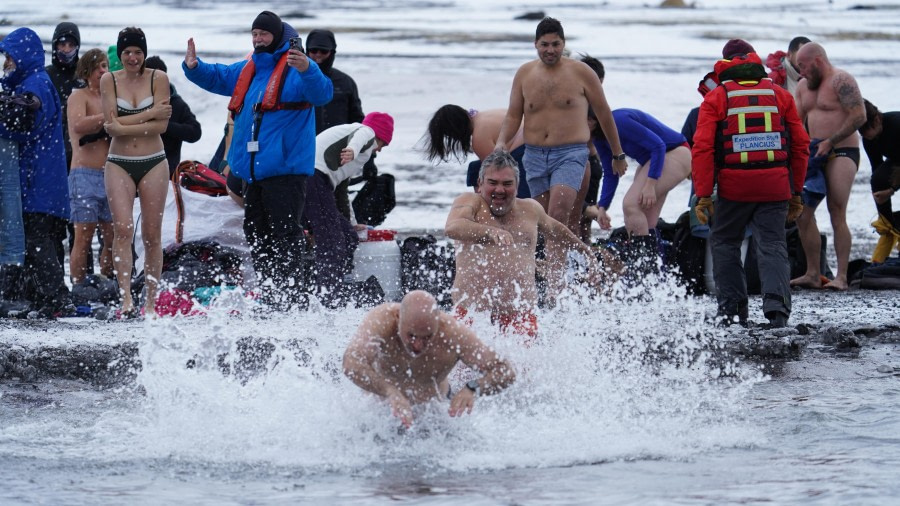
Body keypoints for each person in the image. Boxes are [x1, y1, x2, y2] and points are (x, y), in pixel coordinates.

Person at [182, 11, 333, 308]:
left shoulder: (296, 66)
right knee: (256, 232)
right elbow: (219, 75)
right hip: (253, 172)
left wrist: (309, 69)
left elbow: (323, 93)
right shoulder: (251, 67)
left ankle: (292, 295)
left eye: (263, 34)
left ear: (276, 36)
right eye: (254, 34)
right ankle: (270, 291)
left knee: (286, 234)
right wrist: (194, 67)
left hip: (286, 170)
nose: (258, 39)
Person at [692, 39, 809, 327]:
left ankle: (732, 312)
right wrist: (796, 192)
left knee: (725, 242)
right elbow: (801, 146)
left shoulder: (716, 98)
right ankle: (777, 312)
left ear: (726, 65)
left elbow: (703, 148)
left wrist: (704, 195)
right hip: (776, 187)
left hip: (734, 189)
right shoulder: (780, 95)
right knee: (772, 244)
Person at [445, 151, 604, 336]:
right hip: (473, 315)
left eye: (507, 184)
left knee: (526, 365)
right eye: (492, 183)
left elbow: (556, 230)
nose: (499, 190)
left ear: (517, 185)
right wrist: (490, 232)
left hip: (520, 316)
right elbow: (453, 227)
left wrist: (585, 250)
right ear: (480, 184)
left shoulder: (530, 209)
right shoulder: (470, 202)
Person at [493, 17, 626, 237]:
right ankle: (562, 268)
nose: (550, 50)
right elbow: (513, 115)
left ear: (563, 44)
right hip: (534, 155)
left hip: (570, 154)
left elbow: (604, 114)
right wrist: (501, 142)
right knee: (544, 222)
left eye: (556, 44)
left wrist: (617, 154)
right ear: (536, 44)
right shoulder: (524, 74)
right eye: (545, 44)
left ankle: (556, 272)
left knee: (557, 214)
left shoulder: (582, 72)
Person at [343, 290, 516, 428]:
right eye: (411, 336)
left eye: (427, 337)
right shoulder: (382, 320)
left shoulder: (452, 334)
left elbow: (505, 371)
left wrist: (473, 387)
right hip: (380, 413)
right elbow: (351, 362)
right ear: (398, 318)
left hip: (433, 416)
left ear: (438, 324)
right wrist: (390, 391)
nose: (418, 345)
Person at [0, 28, 73, 317]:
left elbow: (23, 122)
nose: (6, 63)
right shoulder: (33, 82)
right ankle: (38, 297)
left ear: (23, 56)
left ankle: (56, 297)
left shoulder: (36, 85)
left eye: (9, 57)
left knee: (36, 239)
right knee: (42, 240)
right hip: (45, 182)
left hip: (38, 182)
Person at [100, 27, 172, 317]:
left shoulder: (159, 78)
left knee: (152, 235)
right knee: (123, 229)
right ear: (120, 54)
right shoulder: (109, 80)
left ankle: (151, 303)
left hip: (153, 160)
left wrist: (125, 125)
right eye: (127, 52)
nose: (133, 57)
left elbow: (162, 126)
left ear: (144, 54)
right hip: (119, 162)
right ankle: (126, 297)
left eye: (138, 52)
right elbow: (109, 123)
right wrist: (151, 113)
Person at [790, 42, 867, 291]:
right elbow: (796, 122)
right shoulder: (803, 86)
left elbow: (859, 115)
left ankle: (842, 277)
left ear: (818, 61)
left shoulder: (841, 80)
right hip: (813, 152)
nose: (800, 72)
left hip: (842, 150)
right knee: (802, 213)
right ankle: (813, 273)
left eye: (803, 66)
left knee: (836, 211)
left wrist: (831, 141)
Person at [305, 112, 393, 305]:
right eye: (383, 144)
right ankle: (328, 299)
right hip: (312, 178)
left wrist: (352, 224)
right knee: (332, 242)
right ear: (379, 136)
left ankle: (338, 285)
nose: (379, 150)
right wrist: (352, 150)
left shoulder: (347, 160)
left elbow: (341, 194)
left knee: (347, 236)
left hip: (315, 183)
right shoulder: (365, 133)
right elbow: (363, 135)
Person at [590, 108, 692, 270]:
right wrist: (602, 207)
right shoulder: (598, 137)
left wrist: (650, 184)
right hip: (654, 161)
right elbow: (611, 172)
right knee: (645, 220)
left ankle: (644, 274)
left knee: (631, 205)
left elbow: (658, 145)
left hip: (675, 152)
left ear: (592, 121)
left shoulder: (619, 121)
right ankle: (656, 275)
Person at [305, 29, 372, 221]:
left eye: (323, 52)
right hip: (306, 150)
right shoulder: (298, 80)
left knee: (339, 195)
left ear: (332, 53)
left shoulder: (345, 83)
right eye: (313, 51)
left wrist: (369, 158)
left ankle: (342, 234)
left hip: (341, 153)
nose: (317, 56)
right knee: (306, 195)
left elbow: (359, 120)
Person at [67, 48, 114, 285]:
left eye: (105, 66)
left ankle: (106, 281)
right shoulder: (79, 96)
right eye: (98, 67)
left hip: (111, 175)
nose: (102, 71)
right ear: (87, 71)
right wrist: (106, 116)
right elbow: (78, 125)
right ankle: (79, 286)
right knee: (83, 236)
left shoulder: (110, 97)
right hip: (84, 174)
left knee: (112, 237)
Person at [425, 105, 531, 199]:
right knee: (477, 167)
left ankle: (484, 206)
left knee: (477, 171)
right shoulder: (486, 114)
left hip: (524, 151)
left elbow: (497, 170)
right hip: (535, 141)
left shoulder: (479, 138)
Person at [143, 56, 202, 175]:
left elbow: (195, 132)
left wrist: (165, 126)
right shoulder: (138, 102)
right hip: (138, 169)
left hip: (167, 173)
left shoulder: (177, 104)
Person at [859, 99, 900, 262]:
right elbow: (877, 167)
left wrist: (891, 190)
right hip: (897, 160)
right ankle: (888, 227)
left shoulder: (896, 125)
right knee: (877, 180)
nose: (865, 136)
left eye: (867, 130)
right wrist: (880, 193)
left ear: (877, 119)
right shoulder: (868, 138)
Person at [46, 22, 81, 169]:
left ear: (77, 47)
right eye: (62, 44)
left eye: (71, 45)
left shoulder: (84, 75)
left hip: (80, 150)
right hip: (51, 147)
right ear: (55, 46)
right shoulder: (46, 75)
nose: (66, 49)